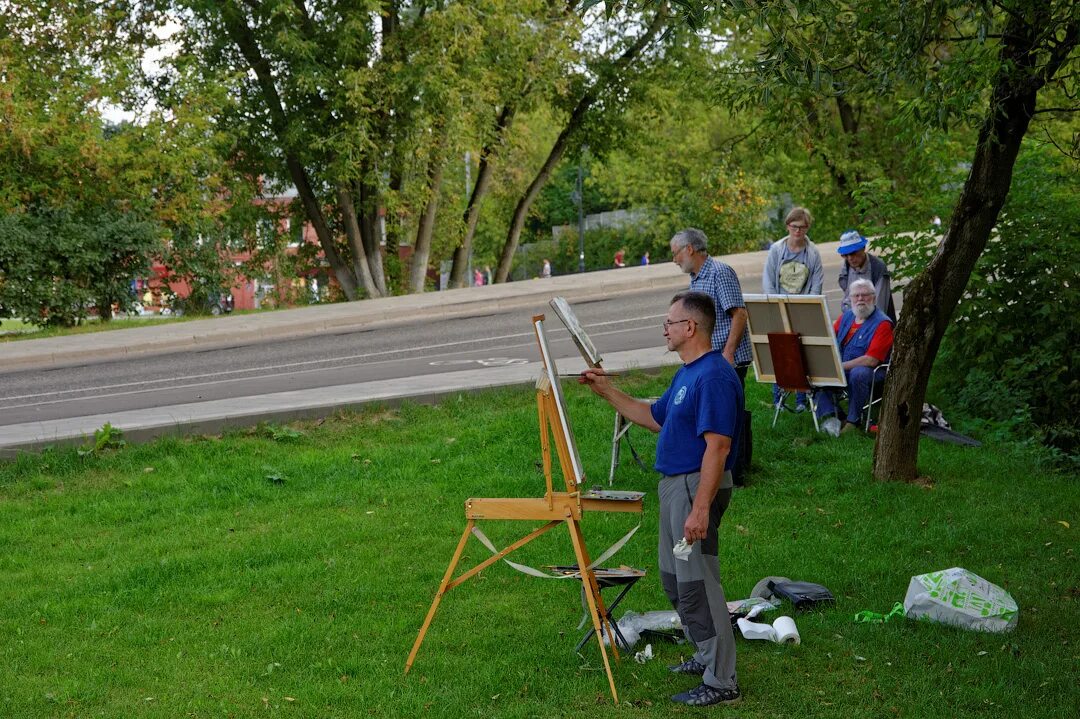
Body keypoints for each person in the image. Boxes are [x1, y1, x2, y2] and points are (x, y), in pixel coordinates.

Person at [580, 291, 743, 707]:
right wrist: (606, 391)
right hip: (676, 487)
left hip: (693, 487)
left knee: (698, 584)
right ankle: (705, 654)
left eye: (669, 323)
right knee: (675, 580)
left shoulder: (714, 376)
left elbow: (719, 446)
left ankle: (722, 681)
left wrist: (700, 508)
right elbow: (654, 417)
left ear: (690, 327)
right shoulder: (688, 374)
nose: (664, 330)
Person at [670, 228, 753, 485]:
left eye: (675, 253)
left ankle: (735, 474)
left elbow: (739, 314)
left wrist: (728, 354)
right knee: (716, 416)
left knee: (727, 416)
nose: (674, 260)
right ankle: (721, 467)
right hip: (709, 362)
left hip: (727, 360)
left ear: (689, 249)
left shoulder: (720, 273)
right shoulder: (696, 279)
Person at [763, 206, 823, 412]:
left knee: (802, 352)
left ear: (807, 228)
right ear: (788, 226)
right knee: (779, 351)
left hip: (802, 308)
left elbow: (816, 284)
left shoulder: (812, 252)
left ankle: (801, 400)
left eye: (802, 227)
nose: (798, 231)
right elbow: (768, 280)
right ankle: (778, 398)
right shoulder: (776, 250)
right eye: (794, 226)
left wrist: (807, 308)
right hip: (778, 306)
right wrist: (774, 305)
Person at [816, 279, 894, 436]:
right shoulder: (846, 317)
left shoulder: (883, 323)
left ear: (873, 298)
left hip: (873, 371)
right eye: (856, 295)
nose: (860, 299)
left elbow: (871, 360)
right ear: (850, 298)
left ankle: (853, 421)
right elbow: (829, 339)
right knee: (817, 370)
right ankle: (834, 415)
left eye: (865, 295)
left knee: (859, 373)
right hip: (844, 367)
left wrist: (838, 366)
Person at [837, 230, 896, 321]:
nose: (850, 258)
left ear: (863, 248)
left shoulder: (878, 267)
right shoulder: (847, 265)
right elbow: (848, 299)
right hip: (854, 319)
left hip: (877, 322)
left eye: (853, 253)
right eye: (845, 255)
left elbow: (880, 306)